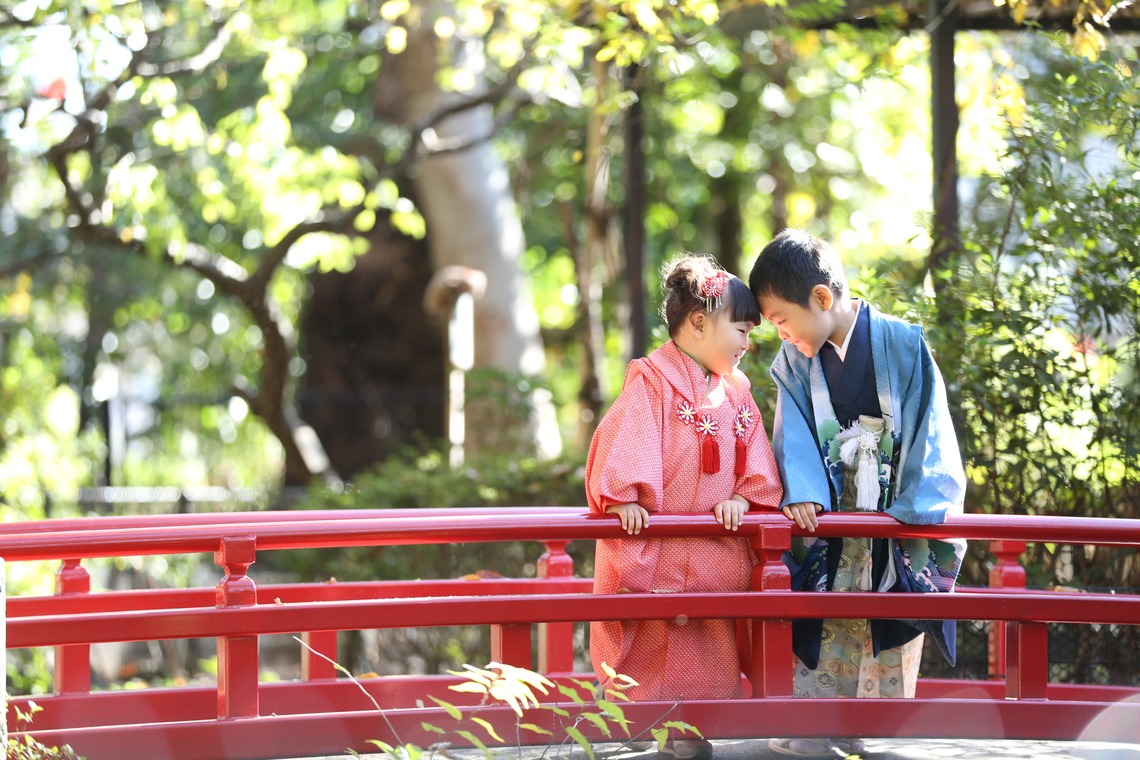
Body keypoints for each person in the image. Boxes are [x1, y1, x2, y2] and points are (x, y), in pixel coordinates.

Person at [747, 229, 966, 759]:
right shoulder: (795, 365)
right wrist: (803, 491)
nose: (780, 334)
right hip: (829, 523)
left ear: (821, 298)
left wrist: (910, 509)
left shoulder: (904, 345)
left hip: (893, 520)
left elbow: (931, 436)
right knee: (823, 617)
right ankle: (811, 722)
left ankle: (866, 726)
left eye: (781, 319)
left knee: (883, 615)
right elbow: (792, 435)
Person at [586, 254, 784, 760]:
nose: (747, 343)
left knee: (707, 645)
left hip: (712, 553)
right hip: (659, 554)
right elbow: (624, 442)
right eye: (740, 330)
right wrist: (624, 498)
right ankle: (658, 736)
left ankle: (695, 737)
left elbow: (757, 463)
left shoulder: (738, 392)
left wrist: (744, 496)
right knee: (653, 647)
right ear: (698, 323)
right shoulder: (651, 380)